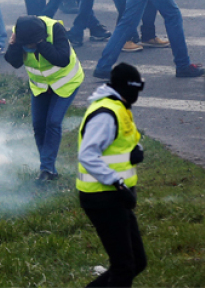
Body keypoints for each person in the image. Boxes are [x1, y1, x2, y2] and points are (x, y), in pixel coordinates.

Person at [77, 62, 148, 287]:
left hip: (116, 196)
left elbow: (121, 143)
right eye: (136, 90)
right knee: (124, 267)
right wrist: (116, 182)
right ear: (127, 88)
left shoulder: (120, 107)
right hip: (103, 197)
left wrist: (136, 151)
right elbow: (88, 155)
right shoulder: (106, 113)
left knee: (137, 262)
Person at [6, 15, 83, 181]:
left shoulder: (55, 29)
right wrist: (13, 45)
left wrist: (41, 44)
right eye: (24, 44)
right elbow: (14, 62)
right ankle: (48, 167)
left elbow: (62, 59)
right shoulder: (21, 32)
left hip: (65, 83)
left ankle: (47, 168)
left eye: (29, 44)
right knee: (39, 126)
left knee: (53, 122)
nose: (27, 47)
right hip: (41, 85)